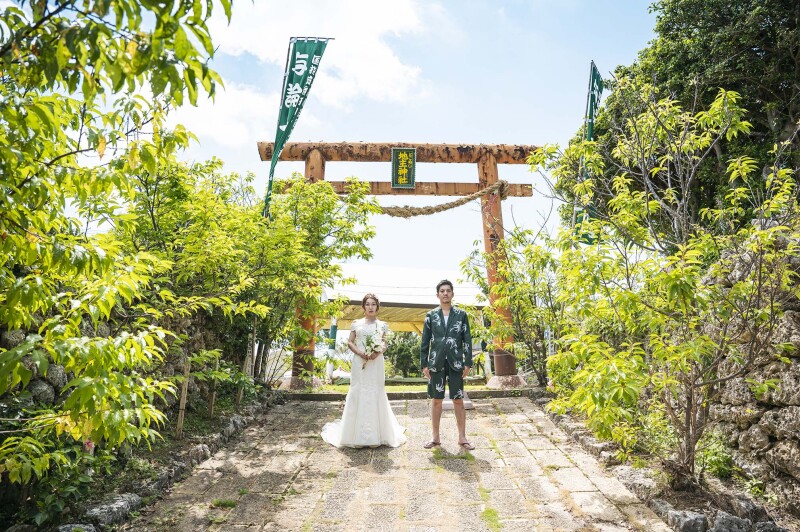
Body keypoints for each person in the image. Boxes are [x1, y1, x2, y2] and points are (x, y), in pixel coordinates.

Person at [321, 293, 407, 448]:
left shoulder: (382, 325)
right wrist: (360, 353)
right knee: (358, 391)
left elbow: (385, 343)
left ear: (377, 307)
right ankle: (355, 436)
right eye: (367, 304)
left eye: (373, 304)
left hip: (375, 362)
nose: (370, 307)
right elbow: (350, 342)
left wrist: (377, 352)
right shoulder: (356, 323)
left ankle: (377, 435)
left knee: (376, 391)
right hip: (359, 361)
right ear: (363, 307)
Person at [420, 280, 474, 450]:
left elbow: (467, 339)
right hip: (436, 362)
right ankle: (435, 437)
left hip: (456, 362)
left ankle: (462, 437)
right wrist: (424, 363)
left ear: (452, 294)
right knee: (436, 400)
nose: (445, 293)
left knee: (458, 400)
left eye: (448, 291)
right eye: (442, 291)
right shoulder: (431, 315)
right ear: (437, 295)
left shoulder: (461, 314)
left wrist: (467, 362)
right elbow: (425, 341)